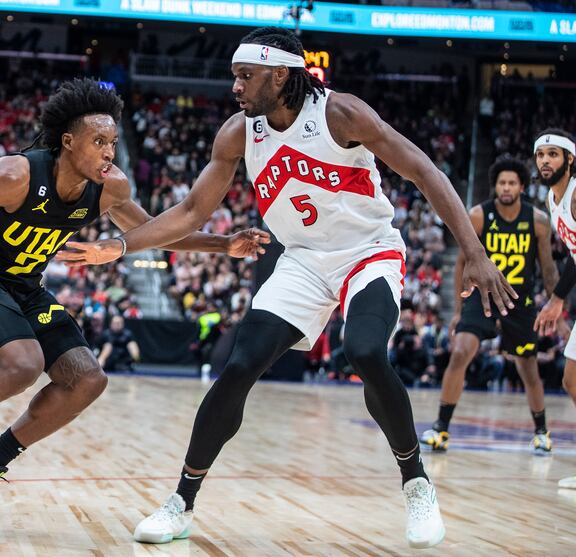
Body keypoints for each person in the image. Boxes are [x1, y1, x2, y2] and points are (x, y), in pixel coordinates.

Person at [59, 27, 516, 549]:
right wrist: (119, 248)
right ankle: (181, 501)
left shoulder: (341, 114)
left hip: (368, 250)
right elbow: (190, 212)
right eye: (235, 75)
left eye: (245, 76)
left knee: (365, 350)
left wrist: (474, 253)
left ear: (280, 75)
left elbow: (425, 172)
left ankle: (416, 483)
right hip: (301, 260)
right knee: (238, 365)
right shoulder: (237, 132)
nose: (235, 86)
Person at [0, 78, 269, 535]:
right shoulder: (14, 176)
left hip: (25, 285)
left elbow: (159, 232)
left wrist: (224, 244)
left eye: (113, 143)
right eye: (98, 142)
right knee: (23, 363)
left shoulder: (109, 189)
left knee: (87, 379)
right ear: (68, 142)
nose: (109, 152)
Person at [421, 157, 558, 454]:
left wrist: (555, 303)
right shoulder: (479, 215)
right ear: (495, 186)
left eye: (511, 183)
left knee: (528, 368)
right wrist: (458, 309)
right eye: (501, 183)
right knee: (459, 352)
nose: (506, 187)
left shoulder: (538, 221)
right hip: (482, 295)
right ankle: (441, 429)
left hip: (518, 300)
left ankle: (541, 431)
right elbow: (461, 262)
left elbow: (547, 268)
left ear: (522, 186)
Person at [529, 129, 576, 488]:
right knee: (571, 380)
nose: (545, 161)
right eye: (541, 154)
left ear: (569, 160)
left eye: (553, 154)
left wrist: (558, 298)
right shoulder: (550, 199)